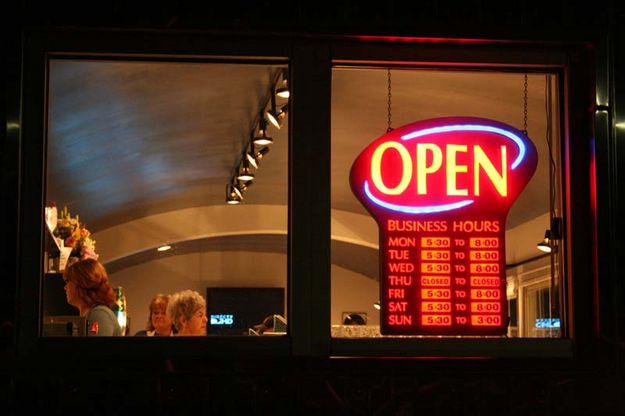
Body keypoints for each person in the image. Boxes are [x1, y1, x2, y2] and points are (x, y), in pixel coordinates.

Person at [63, 258, 121, 336]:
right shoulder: (92, 314)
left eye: (68, 281)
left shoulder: (99, 314)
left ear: (81, 282)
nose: (65, 287)